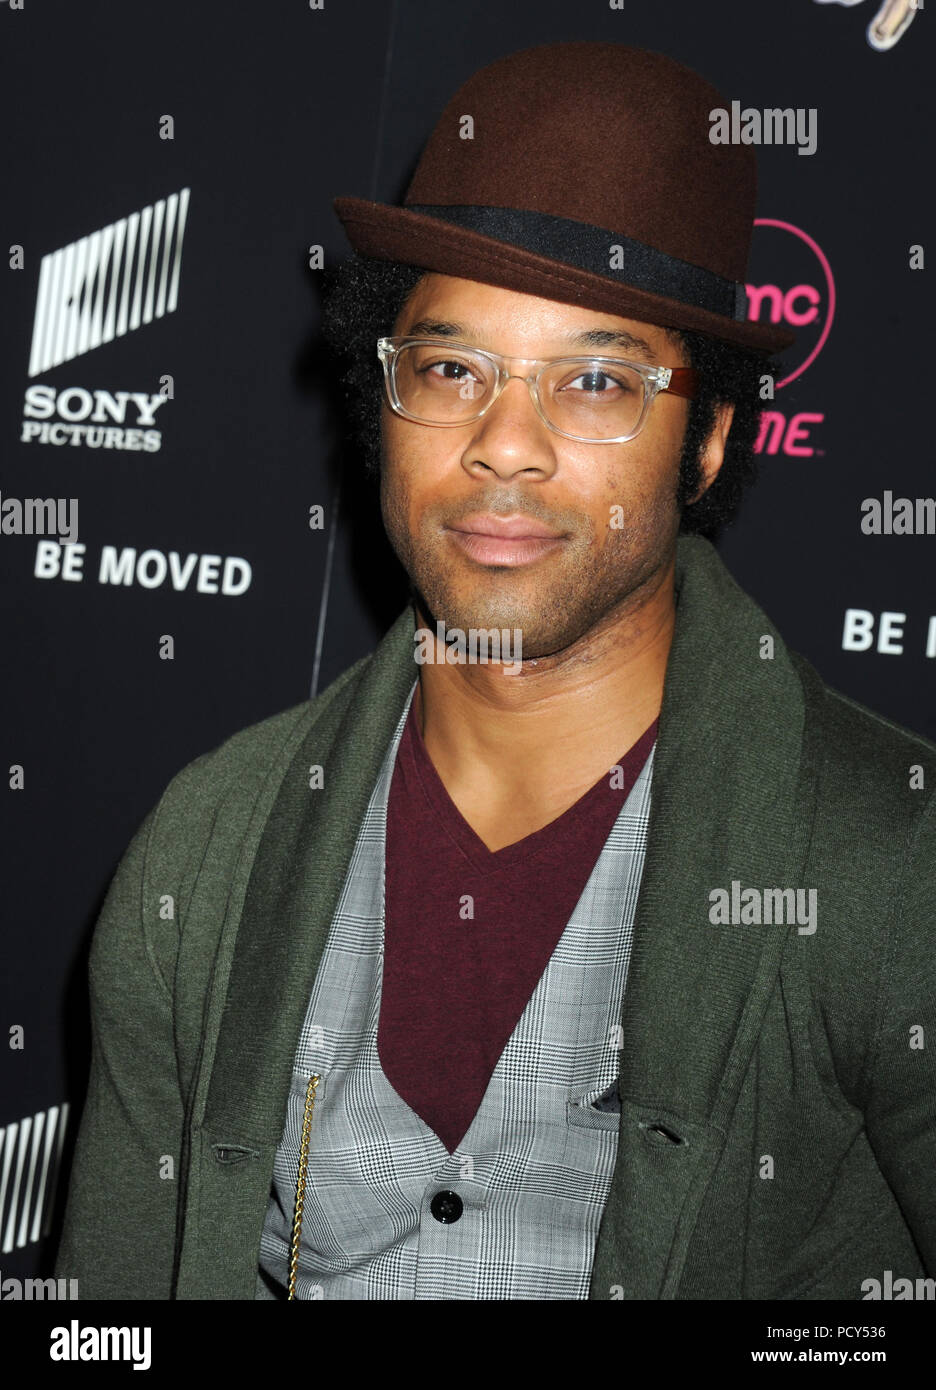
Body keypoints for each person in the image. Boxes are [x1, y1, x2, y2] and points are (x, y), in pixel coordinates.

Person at [54, 41, 935, 1301]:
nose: (502, 447)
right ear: (384, 393)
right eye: (452, 369)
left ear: (711, 441)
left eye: (594, 380)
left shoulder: (891, 868)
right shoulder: (210, 847)